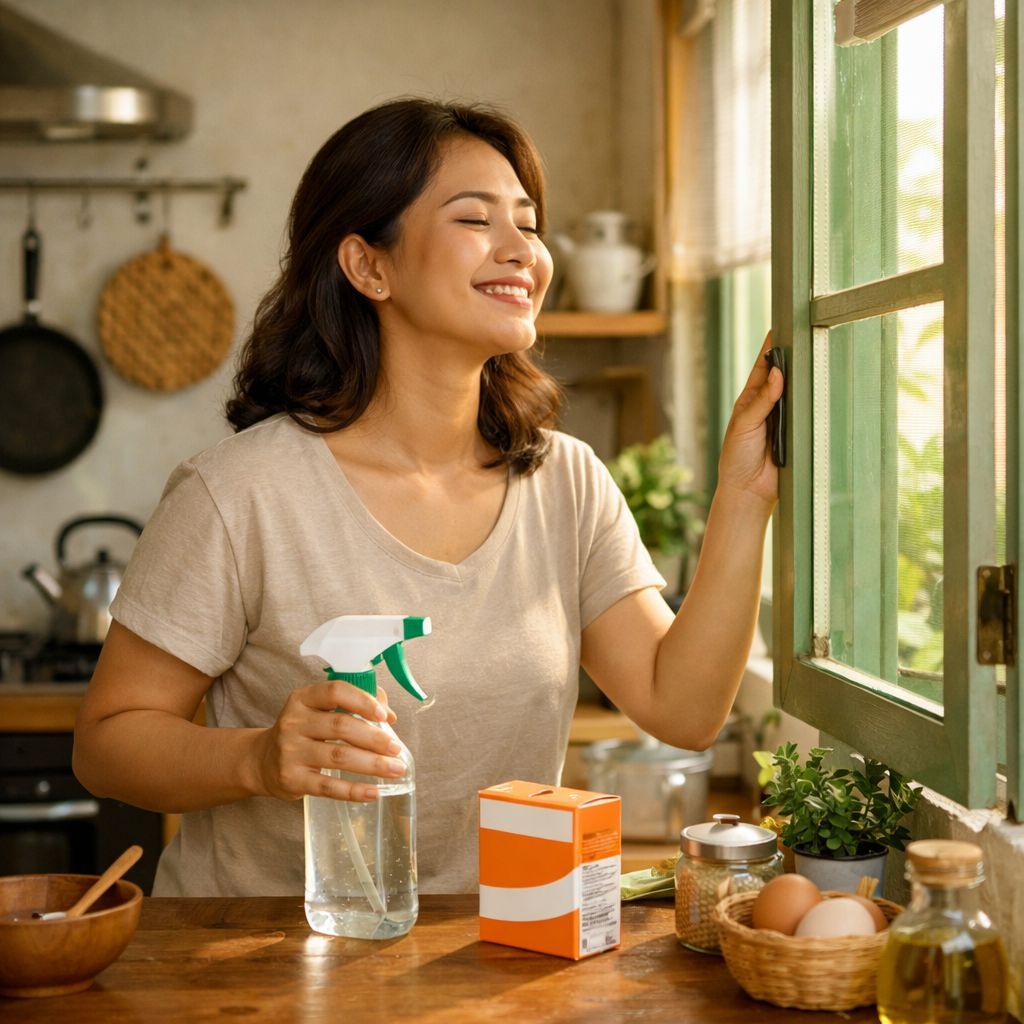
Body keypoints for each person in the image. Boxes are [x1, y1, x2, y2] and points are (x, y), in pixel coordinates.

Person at [72, 97, 783, 898]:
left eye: (529, 223)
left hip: (493, 959)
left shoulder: (566, 482)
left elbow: (682, 708)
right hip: (260, 965)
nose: (525, 253)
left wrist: (746, 494)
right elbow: (107, 743)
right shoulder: (238, 493)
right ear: (369, 266)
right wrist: (258, 758)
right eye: (477, 220)